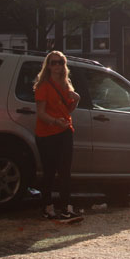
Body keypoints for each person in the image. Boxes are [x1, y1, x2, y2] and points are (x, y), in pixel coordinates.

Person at [34, 51, 83, 223]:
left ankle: (67, 208)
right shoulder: (43, 86)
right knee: (49, 171)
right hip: (47, 133)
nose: (57, 66)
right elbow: (40, 113)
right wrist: (55, 121)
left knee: (65, 171)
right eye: (53, 63)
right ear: (47, 65)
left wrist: (76, 99)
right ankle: (47, 207)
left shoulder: (66, 84)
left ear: (64, 65)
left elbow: (67, 110)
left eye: (60, 62)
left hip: (64, 131)